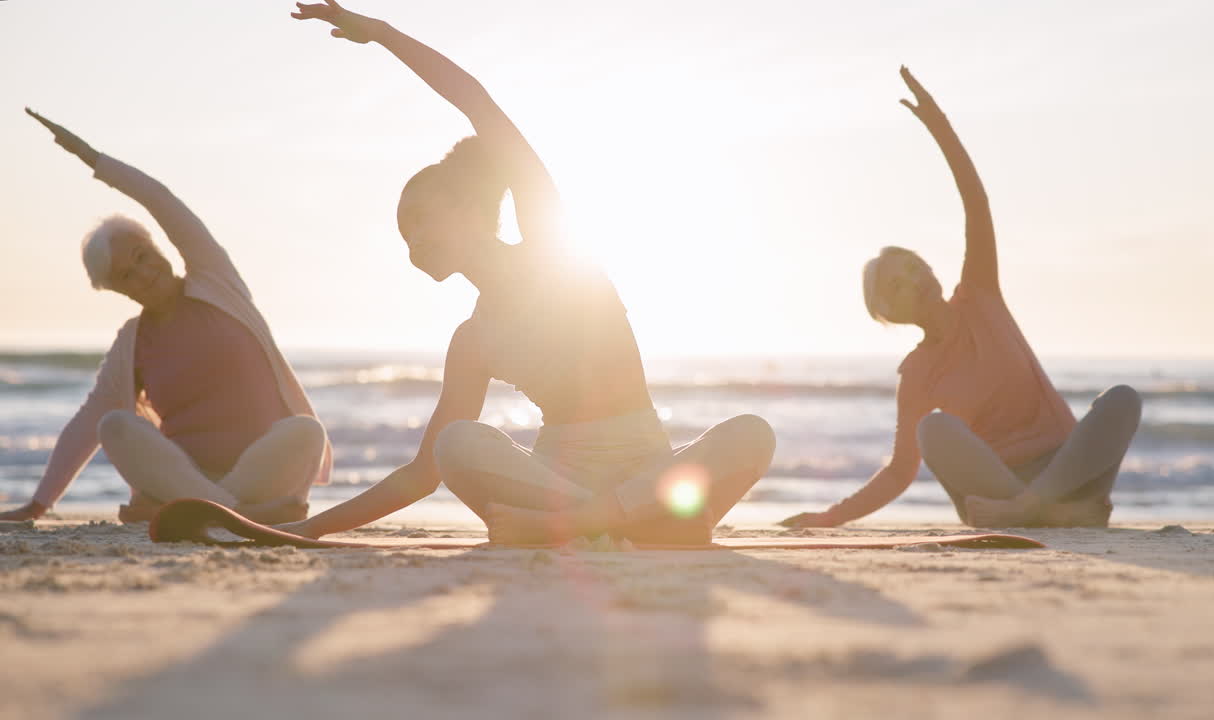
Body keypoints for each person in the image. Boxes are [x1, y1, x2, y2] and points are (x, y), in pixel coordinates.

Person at [280, 1, 774, 545]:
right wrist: (310, 527)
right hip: (556, 485)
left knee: (752, 434)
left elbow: (477, 104)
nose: (411, 240)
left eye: (419, 218)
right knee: (455, 443)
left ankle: (589, 524)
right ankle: (630, 522)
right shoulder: (472, 340)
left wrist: (382, 33)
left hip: (645, 466)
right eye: (402, 233)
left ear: (471, 209)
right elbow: (423, 474)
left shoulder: (552, 252)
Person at [782, 67, 1142, 529]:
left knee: (1121, 399)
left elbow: (976, 204)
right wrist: (828, 517)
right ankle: (1043, 511)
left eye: (913, 266)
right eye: (897, 284)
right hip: (998, 489)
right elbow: (899, 472)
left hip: (1069, 478)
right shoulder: (917, 374)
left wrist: (940, 127)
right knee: (933, 429)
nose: (913, 279)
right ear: (889, 313)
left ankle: (1038, 507)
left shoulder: (980, 295)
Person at [0, 110, 331, 524]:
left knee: (306, 431)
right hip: (187, 481)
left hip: (262, 475)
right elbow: (86, 424)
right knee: (114, 425)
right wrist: (38, 505)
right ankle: (235, 513)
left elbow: (162, 201)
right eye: (126, 275)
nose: (143, 273)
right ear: (116, 289)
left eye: (142, 256)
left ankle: (215, 511)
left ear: (158, 246)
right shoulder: (133, 343)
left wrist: (91, 157)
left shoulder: (217, 283)